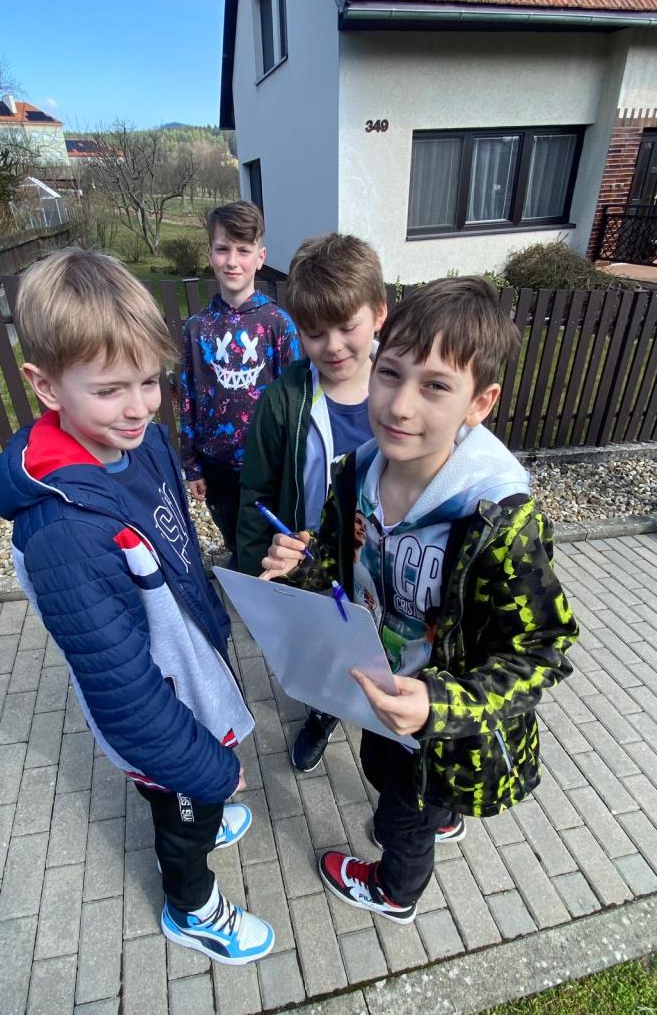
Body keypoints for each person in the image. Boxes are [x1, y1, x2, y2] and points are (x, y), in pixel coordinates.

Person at [0, 247, 274, 965]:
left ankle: (203, 810)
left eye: (149, 381)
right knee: (182, 816)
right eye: (112, 389)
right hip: (160, 714)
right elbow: (124, 693)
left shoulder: (139, 443)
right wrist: (205, 770)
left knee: (196, 796)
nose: (141, 406)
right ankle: (192, 907)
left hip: (189, 674)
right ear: (45, 386)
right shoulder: (64, 532)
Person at [261, 276, 578, 924]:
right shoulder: (356, 474)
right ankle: (439, 816)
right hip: (379, 697)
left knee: (400, 817)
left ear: (479, 403)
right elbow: (337, 572)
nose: (400, 406)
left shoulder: (499, 521)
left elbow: (541, 652)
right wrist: (299, 571)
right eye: (391, 374)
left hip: (443, 733)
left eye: (435, 386)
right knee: (391, 778)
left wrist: (440, 705)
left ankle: (395, 890)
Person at [237, 233, 387, 771]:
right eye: (315, 332)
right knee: (325, 644)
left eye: (347, 326)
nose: (334, 346)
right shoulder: (285, 400)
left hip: (387, 563)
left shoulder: (405, 389)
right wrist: (257, 581)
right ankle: (325, 710)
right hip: (313, 564)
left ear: (379, 313)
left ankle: (390, 722)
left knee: (387, 645)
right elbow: (256, 494)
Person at [180, 200, 299, 565]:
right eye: (223, 249)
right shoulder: (196, 328)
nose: (232, 261)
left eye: (243, 250)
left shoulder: (278, 324)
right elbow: (188, 396)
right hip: (216, 461)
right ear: (210, 254)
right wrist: (191, 463)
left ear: (260, 257)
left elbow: (295, 397)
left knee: (268, 539)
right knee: (232, 533)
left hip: (266, 463)